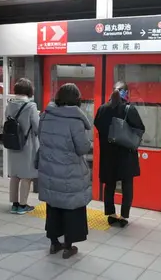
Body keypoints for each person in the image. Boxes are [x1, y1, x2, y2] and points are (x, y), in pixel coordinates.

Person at [38, 83, 91, 259]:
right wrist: (89, 143)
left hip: (50, 170)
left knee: (53, 207)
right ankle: (68, 246)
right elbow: (82, 148)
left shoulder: (46, 116)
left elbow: (42, 139)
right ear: (77, 99)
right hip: (69, 172)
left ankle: (54, 244)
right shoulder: (75, 121)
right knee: (71, 209)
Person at [94, 81, 145, 227]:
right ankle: (123, 216)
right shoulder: (130, 109)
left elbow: (98, 125)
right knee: (127, 185)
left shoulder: (102, 109)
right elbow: (140, 128)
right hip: (126, 154)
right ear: (126, 94)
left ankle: (110, 215)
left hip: (108, 154)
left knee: (109, 185)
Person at [6, 78, 40, 215]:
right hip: (27, 145)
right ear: (29, 91)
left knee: (14, 175)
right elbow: (37, 128)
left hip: (13, 143)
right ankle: (23, 205)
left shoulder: (10, 105)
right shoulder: (31, 106)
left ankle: (14, 204)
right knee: (26, 176)